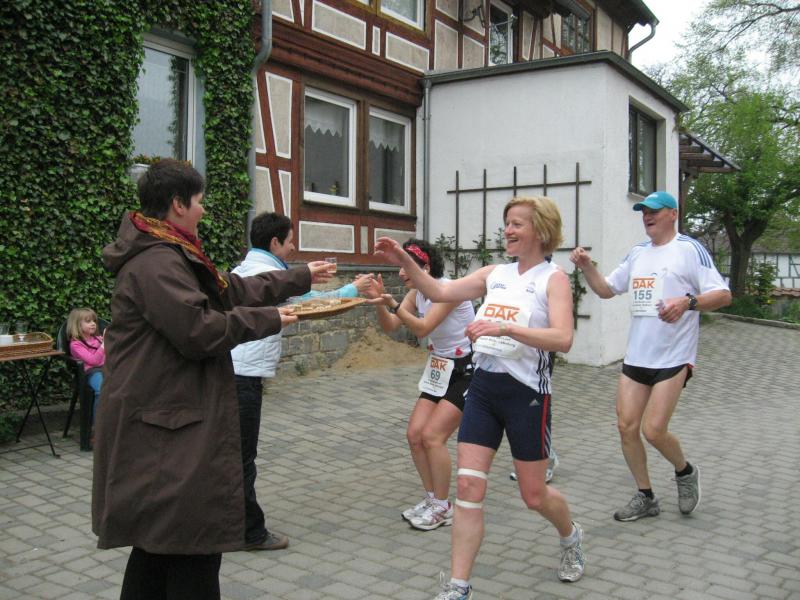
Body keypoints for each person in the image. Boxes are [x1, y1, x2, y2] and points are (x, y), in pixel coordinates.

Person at [91, 159, 332, 600]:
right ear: (178, 204)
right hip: (163, 424)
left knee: (161, 544)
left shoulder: (171, 251)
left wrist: (297, 278)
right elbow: (198, 330)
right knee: (189, 544)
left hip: (169, 416)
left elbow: (227, 290)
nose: (204, 210)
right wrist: (269, 319)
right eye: (199, 201)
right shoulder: (157, 261)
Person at [376, 196, 585, 600]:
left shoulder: (553, 279)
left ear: (541, 230)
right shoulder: (494, 273)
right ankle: (459, 587)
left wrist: (504, 329)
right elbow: (438, 289)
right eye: (507, 223)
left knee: (533, 495)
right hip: (484, 390)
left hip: (527, 395)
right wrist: (403, 258)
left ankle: (570, 535)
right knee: (469, 490)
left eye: (517, 223)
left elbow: (563, 338)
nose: (508, 230)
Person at [569, 190, 731, 522]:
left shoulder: (689, 249)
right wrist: (586, 266)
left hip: (674, 357)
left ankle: (685, 471)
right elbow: (606, 289)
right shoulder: (638, 253)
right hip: (637, 357)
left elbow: (723, 294)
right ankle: (646, 496)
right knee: (626, 427)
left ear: (673, 214)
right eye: (644, 211)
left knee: (654, 430)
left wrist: (688, 302)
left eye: (655, 210)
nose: (647, 216)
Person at [230, 211, 373, 551]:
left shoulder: (241, 271)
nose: (293, 247)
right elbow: (310, 304)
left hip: (230, 370)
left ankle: (225, 523)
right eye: (290, 241)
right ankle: (249, 533)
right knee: (242, 457)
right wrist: (354, 289)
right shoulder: (269, 275)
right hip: (243, 377)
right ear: (274, 242)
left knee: (230, 453)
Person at [364, 238, 476, 531]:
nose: (401, 272)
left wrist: (393, 303)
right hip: (439, 368)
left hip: (467, 370)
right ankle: (431, 499)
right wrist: (381, 303)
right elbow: (392, 326)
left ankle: (443, 506)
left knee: (433, 437)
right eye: (401, 266)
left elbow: (423, 328)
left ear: (424, 267)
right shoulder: (417, 292)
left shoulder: (450, 291)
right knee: (414, 435)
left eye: (406, 265)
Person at [66, 307, 105, 421]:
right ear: (77, 325)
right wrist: (104, 345)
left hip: (107, 369)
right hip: (91, 373)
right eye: (88, 321)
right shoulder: (76, 345)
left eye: (94, 321)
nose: (93, 324)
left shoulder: (98, 339)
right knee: (102, 390)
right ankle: (98, 426)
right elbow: (94, 361)